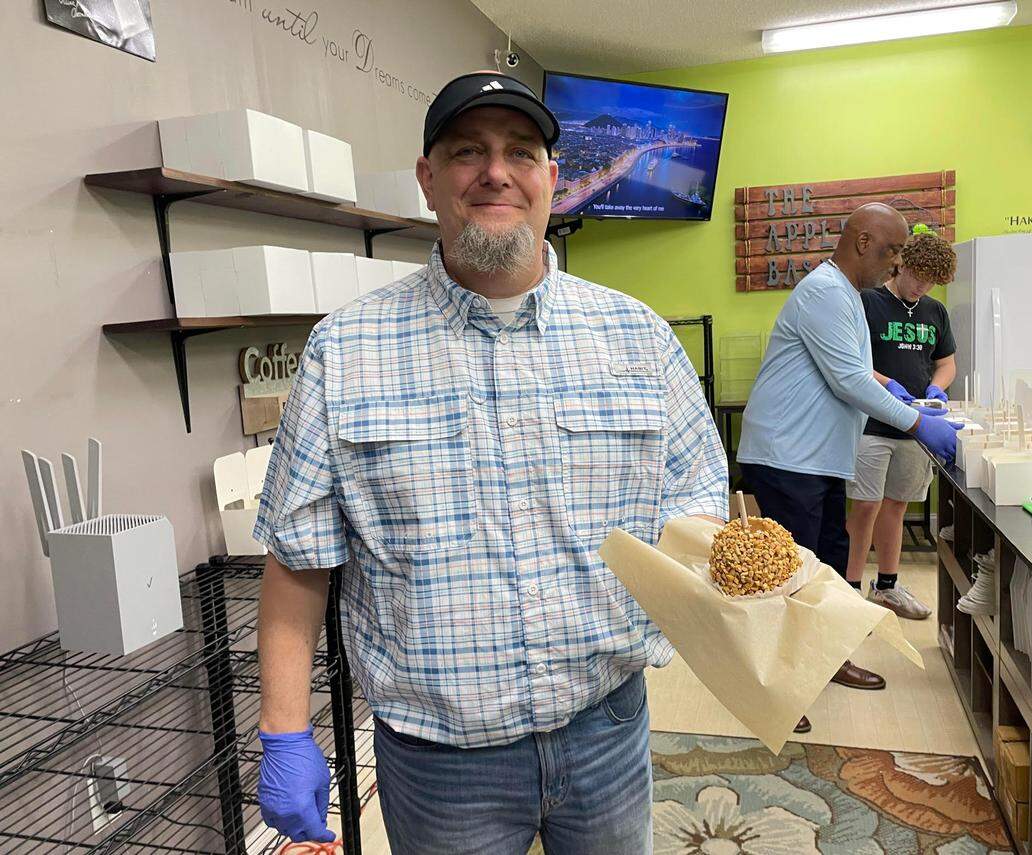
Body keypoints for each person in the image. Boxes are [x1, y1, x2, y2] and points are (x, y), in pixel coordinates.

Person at [252, 71, 727, 855]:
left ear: (552, 177)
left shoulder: (638, 337)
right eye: (467, 150)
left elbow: (700, 499)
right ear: (428, 178)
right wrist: (283, 731)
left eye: (521, 151)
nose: (495, 171)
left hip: (607, 725)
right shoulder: (345, 352)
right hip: (440, 761)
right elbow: (298, 562)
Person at [735, 204, 961, 728]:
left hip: (816, 458)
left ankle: (826, 659)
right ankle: (777, 690)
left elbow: (858, 371)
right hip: (787, 457)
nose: (893, 265)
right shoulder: (825, 293)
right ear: (862, 242)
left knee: (830, 565)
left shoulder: (846, 295)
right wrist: (915, 422)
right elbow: (848, 382)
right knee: (787, 578)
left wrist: (894, 388)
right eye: (890, 252)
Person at [846, 229, 958, 620]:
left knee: (896, 506)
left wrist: (936, 388)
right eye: (918, 277)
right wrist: (887, 385)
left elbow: (946, 363)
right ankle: (850, 591)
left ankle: (888, 587)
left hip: (916, 427)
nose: (922, 287)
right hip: (872, 425)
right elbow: (853, 363)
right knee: (865, 506)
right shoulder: (868, 302)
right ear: (902, 264)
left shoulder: (934, 312)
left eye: (931, 282)